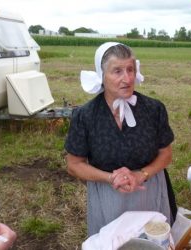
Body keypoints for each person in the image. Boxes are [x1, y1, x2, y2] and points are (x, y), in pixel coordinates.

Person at [65, 42, 177, 236]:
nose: (127, 78)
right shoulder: (85, 116)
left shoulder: (153, 109)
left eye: (130, 69)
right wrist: (110, 178)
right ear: (102, 76)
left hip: (147, 190)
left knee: (150, 241)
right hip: (108, 196)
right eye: (117, 71)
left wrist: (141, 175)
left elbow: (166, 154)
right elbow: (74, 164)